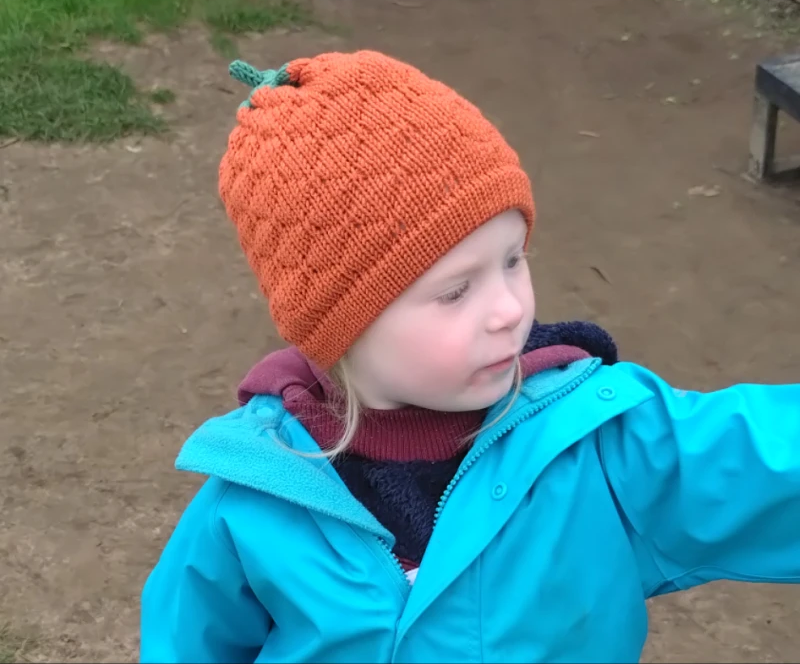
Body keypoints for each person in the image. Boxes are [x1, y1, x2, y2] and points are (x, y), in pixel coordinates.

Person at [139, 50, 800, 664]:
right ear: (339, 327)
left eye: (513, 260)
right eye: (455, 290)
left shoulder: (602, 446)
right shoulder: (253, 502)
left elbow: (766, 456)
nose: (510, 308)